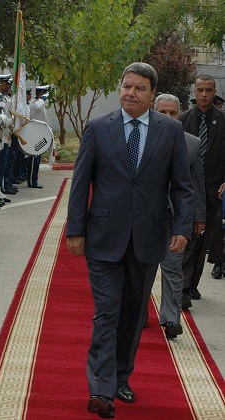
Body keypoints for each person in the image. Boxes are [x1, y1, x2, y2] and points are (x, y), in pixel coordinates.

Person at [67, 62, 194, 418]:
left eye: (139, 88)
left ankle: (121, 376)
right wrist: (75, 229)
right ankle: (101, 391)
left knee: (132, 312)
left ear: (153, 94)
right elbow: (80, 184)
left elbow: (182, 187)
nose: (130, 93)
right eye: (126, 86)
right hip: (104, 237)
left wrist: (182, 228)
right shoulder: (97, 129)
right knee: (106, 312)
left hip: (148, 238)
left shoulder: (170, 132)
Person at [154, 94, 205, 338]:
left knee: (173, 270)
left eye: (173, 113)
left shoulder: (192, 144)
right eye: (162, 112)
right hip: (144, 218)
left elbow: (196, 185)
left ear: (180, 115)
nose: (168, 117)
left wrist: (198, 217)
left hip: (175, 220)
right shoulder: (141, 138)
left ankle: (171, 319)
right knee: (140, 271)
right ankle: (140, 314)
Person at [179, 75, 225, 295]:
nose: (204, 95)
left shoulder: (223, 120)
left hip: (213, 188)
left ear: (214, 91)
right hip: (187, 187)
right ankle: (183, 283)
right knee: (186, 234)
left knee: (202, 237)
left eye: (208, 90)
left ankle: (192, 285)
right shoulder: (182, 120)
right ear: (194, 91)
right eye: (200, 90)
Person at [26, 85, 49, 189]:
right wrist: (44, 98)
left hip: (39, 132)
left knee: (37, 158)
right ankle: (32, 180)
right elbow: (38, 107)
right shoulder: (35, 103)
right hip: (34, 132)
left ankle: (34, 179)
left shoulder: (39, 103)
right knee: (34, 158)